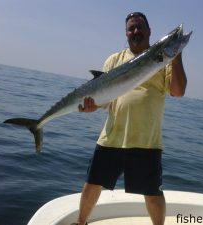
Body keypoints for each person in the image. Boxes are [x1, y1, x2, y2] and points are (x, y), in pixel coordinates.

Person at [75, 12, 187, 225]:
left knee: (152, 193)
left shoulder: (162, 60)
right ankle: (81, 222)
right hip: (112, 137)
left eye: (140, 27)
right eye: (131, 28)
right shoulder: (114, 60)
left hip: (146, 140)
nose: (135, 31)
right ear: (126, 33)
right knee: (92, 183)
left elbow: (178, 91)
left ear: (149, 31)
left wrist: (177, 54)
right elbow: (104, 100)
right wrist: (91, 107)